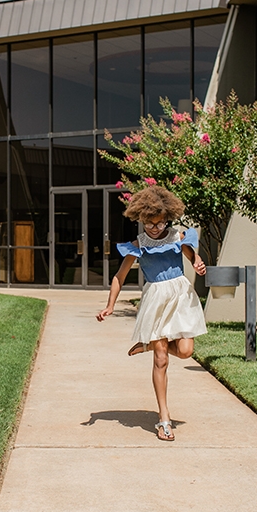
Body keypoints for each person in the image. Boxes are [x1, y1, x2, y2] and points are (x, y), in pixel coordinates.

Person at [96, 185, 208, 441]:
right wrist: (110, 306)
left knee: (185, 351)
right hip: (156, 300)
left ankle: (145, 345)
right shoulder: (138, 245)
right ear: (141, 219)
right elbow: (119, 277)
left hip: (180, 296)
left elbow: (195, 259)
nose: (155, 228)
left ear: (168, 218)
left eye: (160, 223)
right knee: (162, 360)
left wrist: (199, 264)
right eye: (150, 224)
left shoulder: (179, 237)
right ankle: (164, 419)